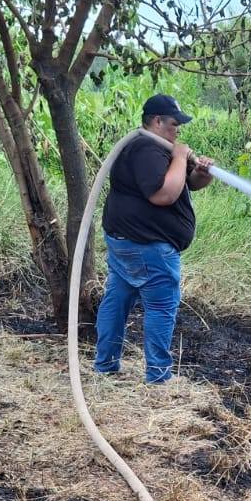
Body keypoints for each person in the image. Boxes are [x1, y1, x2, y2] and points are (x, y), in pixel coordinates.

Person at [94, 94, 214, 383]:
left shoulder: (155, 148)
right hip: (147, 247)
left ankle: (105, 365)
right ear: (157, 121)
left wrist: (201, 172)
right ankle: (159, 375)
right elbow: (164, 194)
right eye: (174, 124)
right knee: (161, 306)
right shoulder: (146, 149)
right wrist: (178, 156)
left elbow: (189, 184)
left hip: (128, 242)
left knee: (118, 298)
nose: (178, 131)